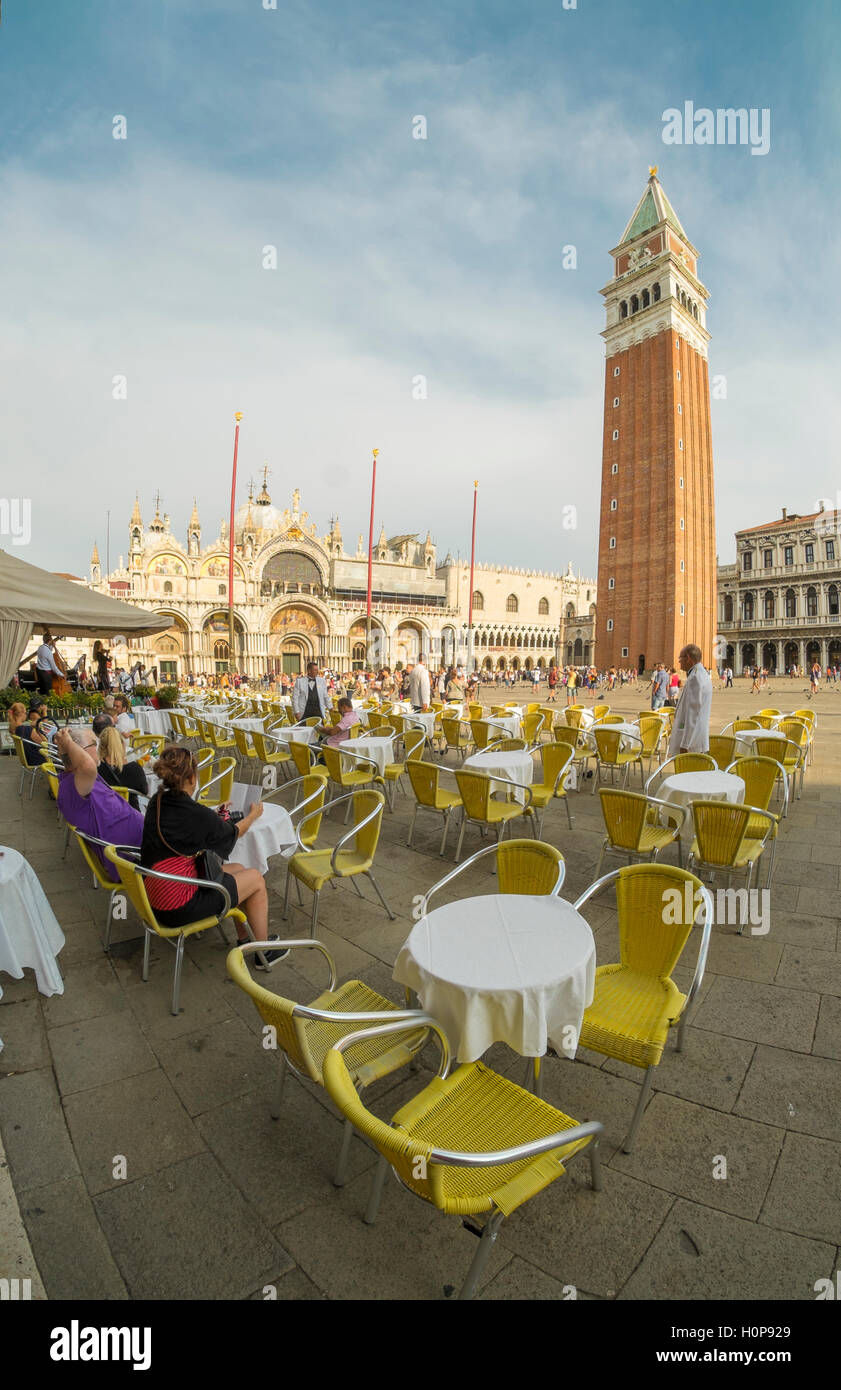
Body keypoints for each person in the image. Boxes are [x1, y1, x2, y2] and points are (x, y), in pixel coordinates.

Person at [141, 745, 281, 961]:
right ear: (191, 778)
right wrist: (253, 816)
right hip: (178, 905)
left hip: (156, 894)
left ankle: (245, 939)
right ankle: (264, 953)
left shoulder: (156, 801)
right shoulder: (195, 814)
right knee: (255, 878)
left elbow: (188, 822)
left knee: (238, 869)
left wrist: (214, 813)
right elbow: (234, 833)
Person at [55, 727, 144, 879]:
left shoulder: (76, 779)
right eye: (93, 744)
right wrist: (68, 743)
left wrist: (65, 749)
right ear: (81, 751)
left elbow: (78, 765)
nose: (97, 749)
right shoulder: (77, 784)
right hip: (136, 857)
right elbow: (87, 766)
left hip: (140, 843)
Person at [668, 645, 713, 756]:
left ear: (688, 658)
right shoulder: (700, 673)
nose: (679, 661)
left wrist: (685, 743)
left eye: (680, 658)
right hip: (696, 738)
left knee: (688, 772)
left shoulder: (695, 677)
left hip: (692, 742)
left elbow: (693, 713)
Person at [98, 725, 149, 810]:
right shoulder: (134, 769)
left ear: (101, 746)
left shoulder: (95, 770)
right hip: (130, 815)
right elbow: (145, 791)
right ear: (122, 744)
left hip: (104, 815)